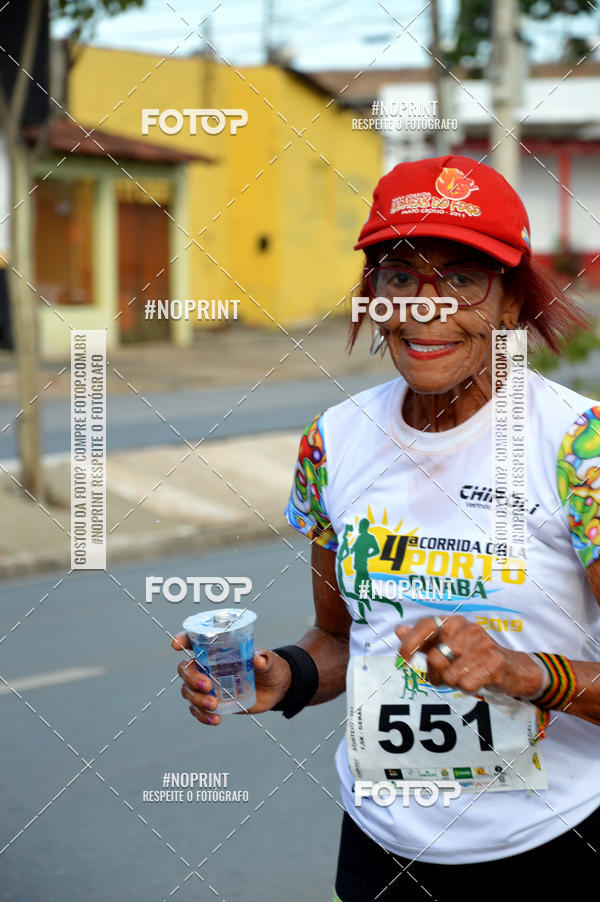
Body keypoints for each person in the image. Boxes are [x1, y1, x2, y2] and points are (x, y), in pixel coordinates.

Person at [173, 155, 600, 901]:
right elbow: (342, 640)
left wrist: (522, 673)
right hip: (383, 854)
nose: (424, 308)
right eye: (399, 278)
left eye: (462, 277)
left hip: (555, 846)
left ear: (509, 305)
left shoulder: (579, 448)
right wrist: (285, 676)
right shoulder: (334, 441)